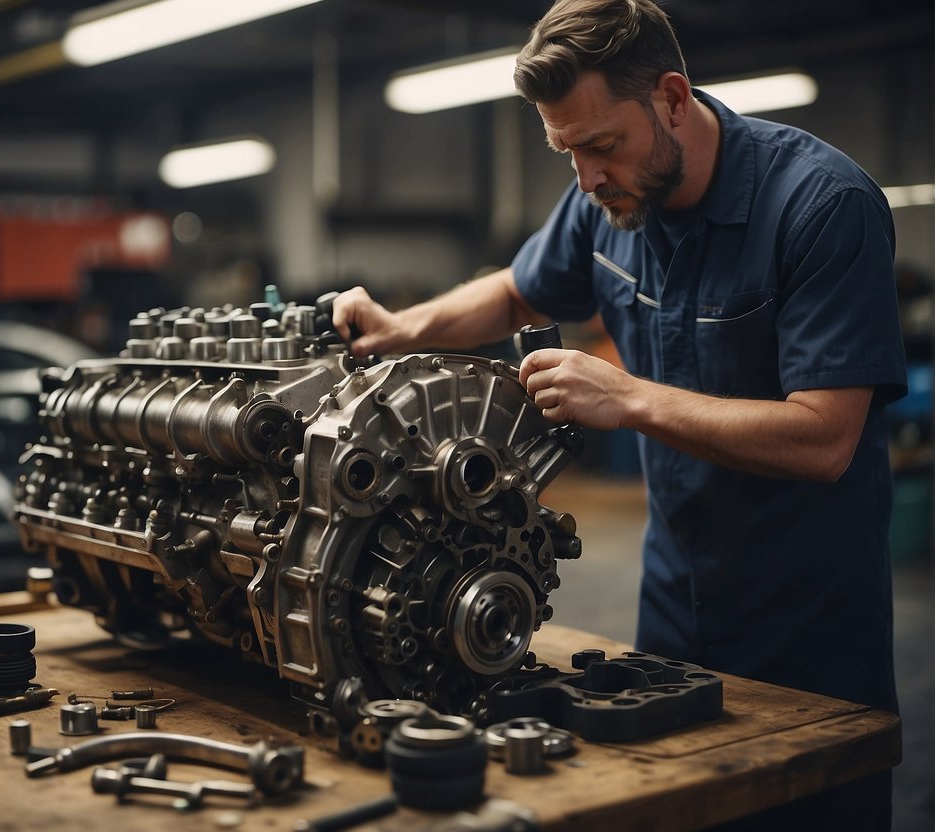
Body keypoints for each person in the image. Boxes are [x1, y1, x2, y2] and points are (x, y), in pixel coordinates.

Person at [332, 0, 905, 827]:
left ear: (672, 98)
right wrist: (400, 329)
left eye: (601, 145)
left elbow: (823, 439)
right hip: (671, 603)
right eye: (565, 151)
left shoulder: (820, 206)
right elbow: (514, 290)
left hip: (808, 620)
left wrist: (626, 398)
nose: (586, 178)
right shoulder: (605, 200)